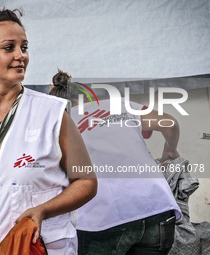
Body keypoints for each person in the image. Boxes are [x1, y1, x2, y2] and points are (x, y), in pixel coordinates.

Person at [0, 4, 97, 255]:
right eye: (8, 47)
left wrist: (44, 209)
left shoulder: (52, 114)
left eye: (24, 47)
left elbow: (86, 181)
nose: (20, 55)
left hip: (33, 249)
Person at [49, 70, 182, 255]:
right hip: (158, 208)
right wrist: (170, 150)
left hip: (102, 221)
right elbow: (169, 122)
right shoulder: (119, 105)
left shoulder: (59, 124)